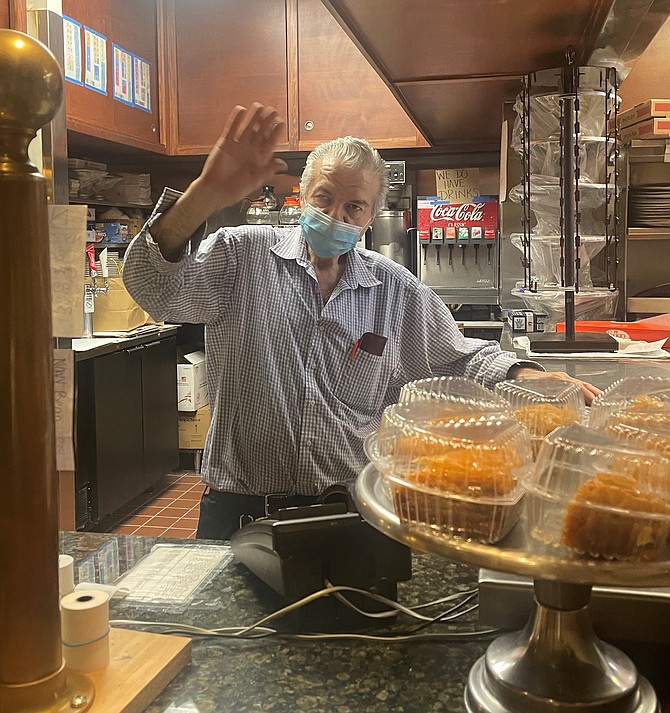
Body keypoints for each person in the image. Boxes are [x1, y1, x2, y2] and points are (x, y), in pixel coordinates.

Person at [123, 102, 600, 540]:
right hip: (241, 513)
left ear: (371, 215)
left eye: (354, 205)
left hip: (349, 515)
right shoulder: (241, 256)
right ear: (303, 195)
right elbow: (154, 286)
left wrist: (527, 375)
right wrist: (204, 195)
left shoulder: (395, 290)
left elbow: (458, 358)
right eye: (324, 198)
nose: (336, 215)